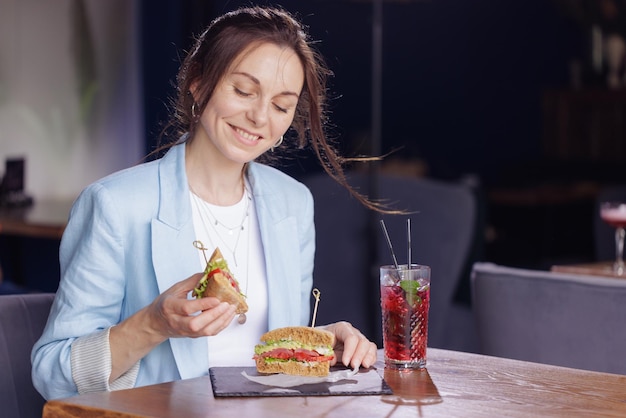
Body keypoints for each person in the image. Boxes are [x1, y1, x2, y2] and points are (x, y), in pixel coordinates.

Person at [32, 5, 384, 400]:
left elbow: (258, 355)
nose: (258, 117)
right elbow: (53, 373)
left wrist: (313, 343)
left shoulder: (292, 203)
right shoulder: (115, 205)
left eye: (281, 106)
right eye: (243, 91)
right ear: (199, 84)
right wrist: (154, 324)